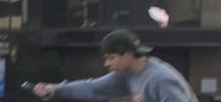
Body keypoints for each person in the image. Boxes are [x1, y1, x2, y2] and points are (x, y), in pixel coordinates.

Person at [32, 29, 198, 102]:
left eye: (110, 58)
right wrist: (55, 89)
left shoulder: (161, 80)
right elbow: (94, 88)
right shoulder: (127, 75)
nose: (106, 64)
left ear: (127, 54)